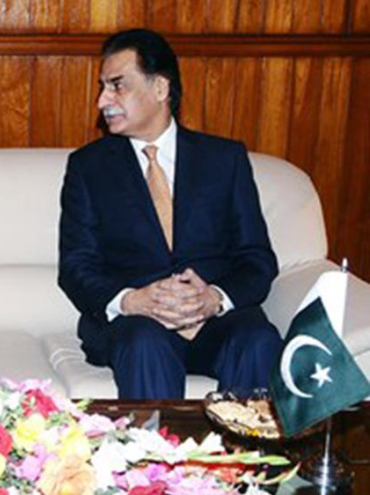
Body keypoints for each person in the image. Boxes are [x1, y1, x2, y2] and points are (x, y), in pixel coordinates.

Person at [58, 29, 282, 399]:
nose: (102, 100)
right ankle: (160, 458)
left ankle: (245, 458)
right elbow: (76, 266)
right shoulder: (88, 168)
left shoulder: (224, 160)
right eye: (102, 87)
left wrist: (215, 298)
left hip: (215, 322)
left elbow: (256, 259)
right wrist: (132, 300)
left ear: (160, 89)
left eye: (117, 86)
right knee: (144, 342)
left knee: (258, 338)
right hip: (137, 326)